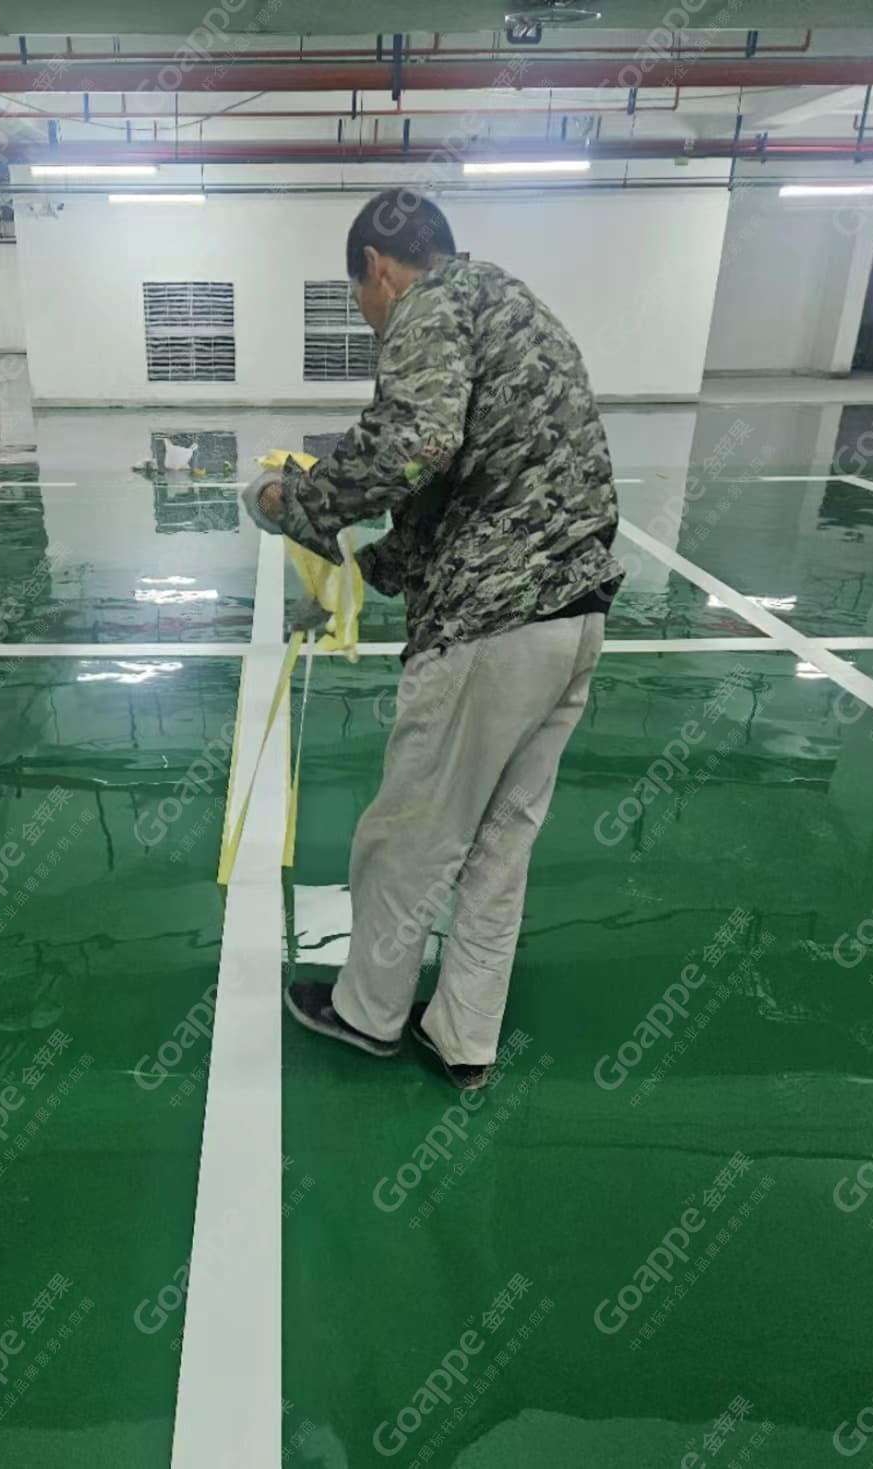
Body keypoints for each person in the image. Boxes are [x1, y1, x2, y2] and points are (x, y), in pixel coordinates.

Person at [244, 189, 622, 1092]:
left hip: (492, 623)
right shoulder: (516, 304)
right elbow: (451, 486)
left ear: (378, 268)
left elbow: (414, 442)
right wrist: (358, 574)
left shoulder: (429, 305)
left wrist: (293, 504)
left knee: (409, 834)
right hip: (574, 615)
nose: (368, 316)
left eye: (360, 296)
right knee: (500, 843)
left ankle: (368, 1012)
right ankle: (463, 1036)